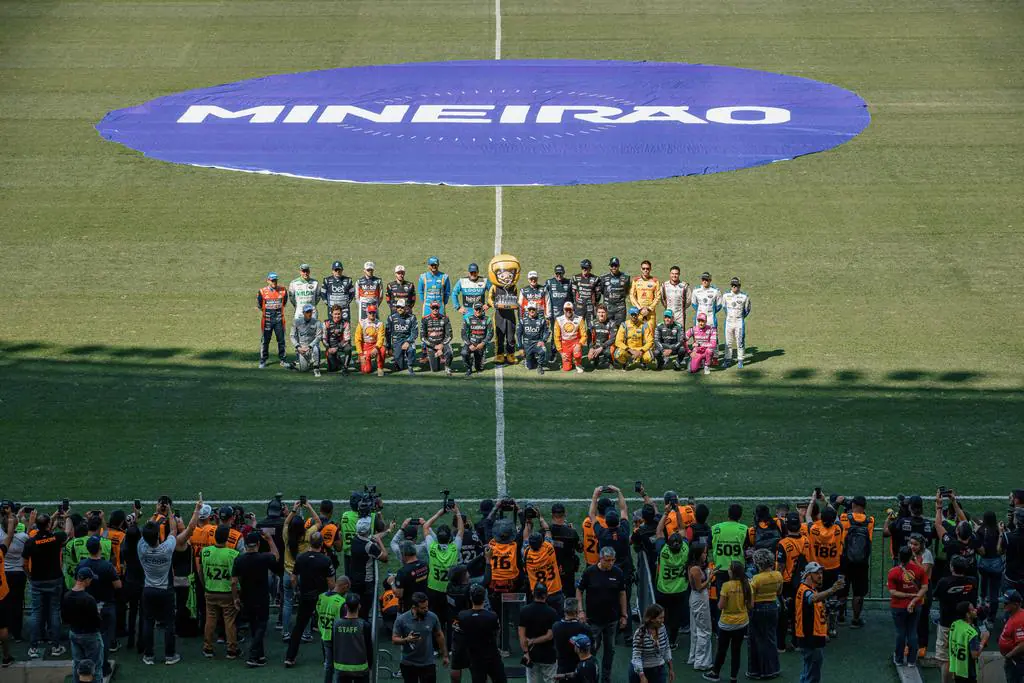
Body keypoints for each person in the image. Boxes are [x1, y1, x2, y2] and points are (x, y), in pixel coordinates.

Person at [138, 498, 202, 665]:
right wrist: (171, 513)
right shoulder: (167, 548)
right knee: (169, 623)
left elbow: (147, 530)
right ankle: (170, 655)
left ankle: (149, 655)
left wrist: (157, 512)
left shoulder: (142, 548)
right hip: (165, 589)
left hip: (148, 589)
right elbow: (175, 530)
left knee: (148, 622)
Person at [576, 546, 627, 683]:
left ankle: (606, 677)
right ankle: (591, 675)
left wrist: (624, 614)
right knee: (592, 650)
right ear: (600, 558)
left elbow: (622, 593)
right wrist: (580, 611)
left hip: (612, 619)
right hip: (594, 620)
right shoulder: (590, 572)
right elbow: (579, 590)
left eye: (612, 560)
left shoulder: (618, 573)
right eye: (607, 560)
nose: (610, 563)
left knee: (610, 651)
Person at [285, 532, 336, 667]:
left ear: (310, 542)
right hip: (322, 598)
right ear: (321, 543)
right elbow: (331, 583)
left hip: (305, 596)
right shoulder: (326, 560)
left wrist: (297, 590)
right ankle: (328, 658)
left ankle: (290, 657)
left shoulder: (301, 558)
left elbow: (293, 578)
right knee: (325, 628)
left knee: (299, 627)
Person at [233, 529, 280, 668]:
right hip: (261, 598)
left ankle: (260, 656)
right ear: (258, 544)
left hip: (246, 598)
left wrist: (235, 598)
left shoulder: (239, 559)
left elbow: (234, 581)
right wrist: (270, 540)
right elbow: (276, 556)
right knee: (261, 625)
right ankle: (254, 655)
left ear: (246, 545)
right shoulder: (263, 558)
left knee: (254, 626)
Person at [22, 511, 67, 659]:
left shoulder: (31, 542)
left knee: (36, 613)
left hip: (37, 581)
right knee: (54, 612)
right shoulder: (56, 538)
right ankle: (55, 646)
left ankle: (34, 647)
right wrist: (65, 518)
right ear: (49, 525)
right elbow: (66, 532)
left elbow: (24, 564)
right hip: (55, 579)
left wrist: (30, 577)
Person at [77, 536, 120, 676]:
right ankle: (103, 665)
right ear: (100, 548)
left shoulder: (82, 564)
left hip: (86, 605)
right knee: (104, 637)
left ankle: (89, 664)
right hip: (106, 605)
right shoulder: (107, 566)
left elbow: (76, 582)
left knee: (89, 635)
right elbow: (118, 585)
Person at [795, 563, 844, 683]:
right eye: (816, 573)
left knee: (808, 672)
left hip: (813, 637)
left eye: (821, 572)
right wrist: (833, 589)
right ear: (808, 575)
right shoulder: (806, 591)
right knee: (812, 676)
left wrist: (824, 634)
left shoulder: (811, 589)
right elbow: (813, 598)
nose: (820, 575)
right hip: (810, 638)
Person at [703, 561, 751, 682]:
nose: (728, 570)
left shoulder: (727, 586)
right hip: (742, 623)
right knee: (736, 651)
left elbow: (720, 606)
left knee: (722, 649)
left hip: (727, 623)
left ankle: (715, 673)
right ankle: (733, 677)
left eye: (729, 568)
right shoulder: (746, 585)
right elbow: (750, 605)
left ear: (732, 572)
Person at [934, 555, 980, 683]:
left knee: (945, 659)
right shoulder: (973, 581)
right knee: (965, 656)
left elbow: (936, 596)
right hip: (966, 625)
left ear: (951, 567)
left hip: (947, 625)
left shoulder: (944, 582)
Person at [199, 525, 240, 659]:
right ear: (227, 538)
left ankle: (208, 648)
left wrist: (206, 586)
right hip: (227, 593)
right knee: (229, 621)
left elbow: (201, 572)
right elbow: (235, 578)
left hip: (210, 590)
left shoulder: (205, 551)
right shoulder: (233, 554)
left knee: (210, 620)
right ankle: (231, 649)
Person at [393, 591, 448, 683]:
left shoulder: (432, 617)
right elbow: (394, 639)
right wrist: (406, 639)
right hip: (408, 663)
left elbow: (439, 635)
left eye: (427, 606)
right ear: (414, 607)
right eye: (423, 608)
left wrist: (445, 655)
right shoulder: (401, 620)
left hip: (428, 663)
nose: (426, 609)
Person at [455, 583, 505, 683]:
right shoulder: (492, 616)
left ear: (470, 598)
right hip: (491, 655)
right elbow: (496, 632)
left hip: (474, 657)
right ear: (484, 598)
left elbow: (459, 634)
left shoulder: (462, 616)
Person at [888, 545, 929, 667]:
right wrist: (914, 599)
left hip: (898, 606)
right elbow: (925, 587)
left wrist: (907, 595)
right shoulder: (919, 570)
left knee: (900, 633)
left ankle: (899, 659)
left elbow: (893, 592)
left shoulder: (893, 572)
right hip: (916, 605)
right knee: (912, 632)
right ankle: (911, 661)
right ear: (911, 556)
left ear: (899, 557)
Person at [776, 512, 811, 651]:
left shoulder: (783, 543)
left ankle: (781, 645)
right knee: (798, 613)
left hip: (787, 583)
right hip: (802, 581)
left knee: (784, 614)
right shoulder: (806, 540)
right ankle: (797, 642)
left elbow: (781, 566)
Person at [837, 495, 874, 627]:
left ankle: (840, 617)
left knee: (842, 589)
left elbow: (834, 517)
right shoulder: (870, 520)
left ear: (853, 505)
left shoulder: (844, 518)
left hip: (845, 559)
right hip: (862, 562)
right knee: (858, 592)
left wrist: (840, 504)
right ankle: (856, 620)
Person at [653, 514, 688, 648]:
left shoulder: (663, 550)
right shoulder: (685, 550)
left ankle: (657, 640)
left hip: (663, 590)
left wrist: (666, 513)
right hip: (680, 590)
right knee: (675, 618)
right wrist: (677, 511)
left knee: (660, 616)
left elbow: (659, 531)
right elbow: (682, 528)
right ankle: (672, 642)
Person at [63, 567, 104, 683]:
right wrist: (98, 613)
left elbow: (65, 619)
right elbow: (97, 622)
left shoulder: (66, 596)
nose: (91, 581)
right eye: (90, 579)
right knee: (95, 666)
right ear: (86, 580)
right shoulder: (89, 599)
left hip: (74, 633)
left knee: (77, 665)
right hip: (90, 635)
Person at [423, 508, 463, 626]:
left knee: (435, 619)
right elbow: (461, 530)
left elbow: (425, 526)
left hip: (433, 589)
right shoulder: (454, 548)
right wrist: (457, 512)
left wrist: (439, 513)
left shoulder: (432, 547)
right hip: (450, 590)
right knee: (451, 618)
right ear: (450, 537)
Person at [748, 549, 783, 680]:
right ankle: (773, 669)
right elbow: (779, 592)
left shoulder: (756, 579)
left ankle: (758, 671)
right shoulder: (778, 575)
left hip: (758, 608)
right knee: (771, 638)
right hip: (773, 606)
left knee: (757, 640)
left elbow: (751, 602)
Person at [349, 517, 391, 619]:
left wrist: (387, 531)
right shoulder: (369, 546)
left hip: (354, 579)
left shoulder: (354, 539)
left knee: (354, 608)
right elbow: (385, 558)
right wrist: (380, 541)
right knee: (365, 611)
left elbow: (373, 537)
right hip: (366, 582)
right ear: (368, 530)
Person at [523, 513, 564, 615]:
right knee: (557, 619)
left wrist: (528, 522)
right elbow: (547, 530)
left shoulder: (526, 553)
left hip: (538, 595)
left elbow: (525, 538)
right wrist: (540, 517)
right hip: (554, 591)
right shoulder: (549, 548)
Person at [520, 583, 559, 683]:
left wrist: (526, 653)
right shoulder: (552, 612)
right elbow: (550, 636)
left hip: (532, 655)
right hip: (548, 655)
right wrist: (535, 641)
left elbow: (521, 636)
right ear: (546, 595)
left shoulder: (524, 611)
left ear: (533, 593)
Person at [317, 577, 350, 683]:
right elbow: (344, 621)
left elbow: (318, 612)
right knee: (340, 666)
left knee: (328, 665)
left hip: (324, 634)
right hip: (337, 637)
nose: (347, 591)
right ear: (345, 586)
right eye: (347, 588)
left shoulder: (321, 597)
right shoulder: (341, 602)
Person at [686, 542, 713, 672]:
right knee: (705, 630)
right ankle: (701, 662)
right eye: (704, 552)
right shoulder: (695, 569)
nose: (706, 554)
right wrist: (711, 577)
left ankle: (694, 657)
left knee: (696, 629)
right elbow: (699, 587)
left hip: (696, 599)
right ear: (698, 553)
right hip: (700, 599)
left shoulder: (693, 566)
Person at [629, 604, 673, 683]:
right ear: (652, 619)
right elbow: (636, 657)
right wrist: (642, 676)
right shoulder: (639, 633)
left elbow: (667, 648)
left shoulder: (662, 628)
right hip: (641, 671)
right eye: (660, 618)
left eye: (663, 617)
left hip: (659, 670)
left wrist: (671, 669)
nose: (663, 620)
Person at [806, 505, 844, 594]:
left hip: (817, 568)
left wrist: (812, 501)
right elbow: (836, 516)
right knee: (831, 593)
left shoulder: (814, 529)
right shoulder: (838, 529)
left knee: (818, 594)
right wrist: (825, 500)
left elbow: (807, 516)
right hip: (833, 567)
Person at [910, 532, 935, 660]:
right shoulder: (909, 553)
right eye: (911, 544)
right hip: (911, 587)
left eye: (915, 544)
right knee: (910, 616)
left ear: (922, 545)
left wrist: (913, 561)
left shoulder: (927, 554)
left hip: (924, 587)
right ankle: (909, 644)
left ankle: (922, 646)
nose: (912, 547)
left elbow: (923, 573)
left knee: (923, 617)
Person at [976, 511, 1004, 623]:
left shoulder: (981, 531)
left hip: (983, 563)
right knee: (994, 591)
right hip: (996, 563)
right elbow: (1002, 550)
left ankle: (982, 600)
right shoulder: (998, 531)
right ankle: (991, 619)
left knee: (984, 579)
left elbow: (980, 551)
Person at [257, 272, 289, 368]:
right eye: (272, 280)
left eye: (275, 280)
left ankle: (283, 360)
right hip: (267, 320)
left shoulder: (283, 291)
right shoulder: (262, 291)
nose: (274, 282)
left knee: (281, 340)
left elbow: (284, 303)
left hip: (279, 320)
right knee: (265, 340)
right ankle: (263, 360)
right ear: (268, 281)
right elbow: (259, 305)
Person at [549, 504, 581, 598]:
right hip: (568, 569)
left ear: (552, 515)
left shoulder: (544, 531)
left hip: (551, 569)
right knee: (569, 594)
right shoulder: (571, 532)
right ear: (564, 514)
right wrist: (573, 531)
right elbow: (580, 548)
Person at [487, 271, 519, 365]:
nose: (506, 278)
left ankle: (511, 354)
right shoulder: (494, 286)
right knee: (499, 335)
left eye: (509, 276)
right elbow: (489, 298)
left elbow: (517, 299)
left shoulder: (514, 286)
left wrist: (516, 305)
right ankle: (499, 354)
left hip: (510, 314)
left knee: (510, 335)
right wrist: (494, 304)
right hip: (499, 315)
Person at [949, 601, 986, 683]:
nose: (976, 610)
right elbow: (975, 655)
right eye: (973, 610)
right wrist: (983, 640)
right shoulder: (972, 633)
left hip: (956, 669)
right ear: (967, 614)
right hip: (968, 672)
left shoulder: (954, 625)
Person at [544, 265, 573, 363]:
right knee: (555, 335)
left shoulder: (569, 282)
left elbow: (572, 298)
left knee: (568, 333)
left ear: (564, 273)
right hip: (554, 315)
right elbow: (544, 298)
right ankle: (553, 353)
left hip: (566, 314)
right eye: (557, 273)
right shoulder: (549, 282)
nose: (559, 275)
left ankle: (568, 353)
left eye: (560, 273)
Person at [720, 277, 750, 369]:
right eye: (732, 285)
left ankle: (740, 360)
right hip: (729, 322)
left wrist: (740, 317)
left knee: (740, 341)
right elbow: (724, 307)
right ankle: (727, 360)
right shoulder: (725, 295)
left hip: (739, 322)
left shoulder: (745, 296)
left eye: (736, 285)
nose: (734, 287)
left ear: (739, 286)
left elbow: (747, 310)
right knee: (728, 342)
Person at [553, 599, 589, 676]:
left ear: (564, 610)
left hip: (562, 668)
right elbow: (591, 646)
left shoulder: (556, 626)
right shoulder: (584, 628)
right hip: (579, 667)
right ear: (576, 611)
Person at [384, 301, 418, 375]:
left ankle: (410, 365)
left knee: (411, 350)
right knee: (400, 367)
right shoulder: (391, 318)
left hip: (407, 339)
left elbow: (415, 333)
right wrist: (388, 347)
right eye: (398, 307)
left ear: (405, 307)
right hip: (397, 341)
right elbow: (387, 334)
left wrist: (408, 342)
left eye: (402, 307)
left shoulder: (412, 317)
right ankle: (399, 359)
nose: (400, 309)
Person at [421, 301, 454, 375]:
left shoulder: (445, 318)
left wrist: (442, 345)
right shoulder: (425, 319)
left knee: (450, 352)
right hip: (431, 345)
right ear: (430, 308)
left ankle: (447, 366)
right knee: (435, 370)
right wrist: (434, 346)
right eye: (433, 308)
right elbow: (422, 337)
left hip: (442, 343)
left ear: (439, 308)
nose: (435, 309)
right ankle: (432, 357)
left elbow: (450, 335)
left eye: (437, 308)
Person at [291, 303, 324, 376]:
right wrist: (298, 347)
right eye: (307, 312)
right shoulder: (296, 322)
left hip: (311, 346)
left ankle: (316, 368)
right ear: (303, 313)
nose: (309, 314)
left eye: (310, 312)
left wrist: (309, 346)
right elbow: (292, 336)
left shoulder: (317, 322)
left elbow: (318, 337)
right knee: (303, 369)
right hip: (301, 347)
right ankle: (297, 363)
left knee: (316, 349)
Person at [554, 302, 587, 373]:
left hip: (575, 342)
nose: (568, 311)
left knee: (577, 354)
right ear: (563, 310)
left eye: (570, 309)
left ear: (573, 310)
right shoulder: (558, 320)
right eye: (566, 309)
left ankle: (578, 363)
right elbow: (556, 337)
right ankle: (569, 360)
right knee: (566, 369)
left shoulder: (579, 319)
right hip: (565, 344)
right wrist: (561, 352)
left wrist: (579, 344)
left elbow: (584, 335)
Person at [517, 302, 549, 374]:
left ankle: (540, 366)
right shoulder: (522, 321)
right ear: (527, 310)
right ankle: (529, 358)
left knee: (543, 350)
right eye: (530, 309)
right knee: (530, 367)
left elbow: (547, 332)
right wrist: (520, 348)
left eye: (533, 309)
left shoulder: (542, 320)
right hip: (527, 344)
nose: (531, 311)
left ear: (536, 310)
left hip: (537, 343)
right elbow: (518, 335)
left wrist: (543, 341)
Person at [461, 302, 492, 377]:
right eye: (476, 309)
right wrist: (469, 344)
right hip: (471, 343)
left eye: (479, 309)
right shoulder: (468, 319)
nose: (478, 311)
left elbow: (490, 333)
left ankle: (477, 361)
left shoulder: (488, 319)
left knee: (478, 368)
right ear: (473, 310)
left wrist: (483, 343)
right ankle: (468, 368)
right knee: (464, 353)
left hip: (481, 345)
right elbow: (463, 334)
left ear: (482, 309)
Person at [1000, 589, 1024, 683]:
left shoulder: (1019, 620)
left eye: (1006, 603)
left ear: (1016, 605)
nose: (1004, 605)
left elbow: (1022, 643)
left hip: (1016, 661)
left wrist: (1009, 655)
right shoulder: (1013, 614)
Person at [355, 305, 386, 376]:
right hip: (365, 346)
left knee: (383, 349)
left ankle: (380, 367)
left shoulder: (380, 324)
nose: (372, 314)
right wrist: (360, 354)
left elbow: (381, 338)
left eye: (373, 313)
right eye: (370, 312)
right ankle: (367, 361)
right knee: (366, 371)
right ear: (367, 313)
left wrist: (376, 347)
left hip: (375, 345)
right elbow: (357, 340)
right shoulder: (362, 323)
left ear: (376, 313)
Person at [597, 258, 630, 325]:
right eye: (612, 266)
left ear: (619, 266)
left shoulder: (626, 278)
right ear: (609, 266)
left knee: (620, 328)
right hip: (607, 307)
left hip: (620, 308)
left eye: (616, 265)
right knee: (607, 327)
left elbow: (627, 292)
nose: (614, 267)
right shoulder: (603, 278)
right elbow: (602, 291)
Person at [629, 260, 661, 326]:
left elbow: (658, 297)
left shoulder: (655, 281)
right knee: (638, 333)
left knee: (650, 333)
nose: (645, 270)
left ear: (650, 269)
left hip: (650, 312)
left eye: (647, 268)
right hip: (638, 312)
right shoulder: (636, 281)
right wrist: (640, 308)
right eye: (643, 268)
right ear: (641, 269)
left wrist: (649, 309)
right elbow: (632, 295)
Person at [1000, 509, 1024, 595]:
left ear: (1017, 521)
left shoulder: (1007, 536)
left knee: (1009, 602)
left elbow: (1000, 551)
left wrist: (1001, 533)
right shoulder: (1009, 536)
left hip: (1010, 576)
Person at [324, 304, 353, 374]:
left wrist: (336, 348)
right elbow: (323, 338)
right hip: (331, 348)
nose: (337, 316)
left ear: (341, 314)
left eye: (339, 314)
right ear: (331, 314)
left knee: (348, 348)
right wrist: (328, 348)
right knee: (333, 369)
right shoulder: (326, 323)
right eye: (335, 314)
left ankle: (345, 367)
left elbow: (346, 339)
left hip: (341, 346)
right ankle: (338, 360)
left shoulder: (345, 323)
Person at [586, 305, 618, 370]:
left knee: (609, 352)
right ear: (596, 313)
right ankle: (596, 361)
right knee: (590, 357)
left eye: (603, 312)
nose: (601, 314)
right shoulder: (592, 323)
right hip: (596, 346)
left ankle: (610, 362)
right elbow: (589, 338)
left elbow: (613, 339)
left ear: (606, 313)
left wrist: (602, 347)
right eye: (599, 312)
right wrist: (591, 348)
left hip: (607, 346)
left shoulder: (612, 323)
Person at [571, 259, 600, 327]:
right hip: (579, 307)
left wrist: (595, 304)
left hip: (590, 307)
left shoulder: (596, 279)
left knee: (592, 326)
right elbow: (573, 293)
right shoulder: (575, 278)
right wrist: (575, 304)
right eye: (583, 267)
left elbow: (598, 294)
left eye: (586, 268)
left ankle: (590, 338)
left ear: (590, 268)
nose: (584, 269)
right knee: (578, 326)